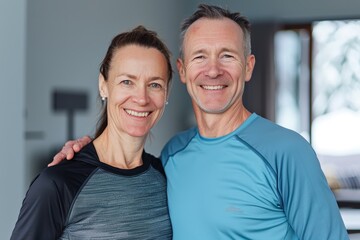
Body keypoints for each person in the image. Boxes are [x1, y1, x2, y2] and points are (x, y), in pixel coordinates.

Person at [50, 4, 349, 240]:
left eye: (227, 56)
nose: (213, 71)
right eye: (200, 57)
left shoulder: (288, 151)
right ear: (181, 71)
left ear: (249, 67)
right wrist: (87, 151)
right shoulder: (171, 155)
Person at [11, 26, 173, 239]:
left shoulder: (167, 177)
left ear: (166, 93)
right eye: (127, 82)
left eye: (154, 84)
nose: (142, 98)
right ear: (103, 85)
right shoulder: (58, 184)